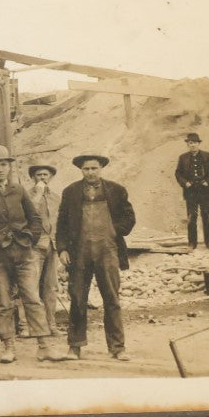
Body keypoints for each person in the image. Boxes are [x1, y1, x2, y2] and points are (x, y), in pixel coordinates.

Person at [0, 146, 67, 364]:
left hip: (24, 253)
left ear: (9, 167)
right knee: (4, 302)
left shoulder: (18, 190)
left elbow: (34, 218)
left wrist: (30, 239)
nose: (1, 169)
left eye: (4, 165)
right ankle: (9, 347)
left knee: (33, 298)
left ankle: (44, 347)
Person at [56, 153, 137, 360]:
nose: (90, 172)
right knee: (78, 298)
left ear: (101, 168)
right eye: (86, 169)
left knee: (112, 298)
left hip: (107, 251)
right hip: (79, 252)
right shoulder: (71, 192)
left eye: (94, 168)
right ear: (81, 170)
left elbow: (129, 217)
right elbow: (62, 223)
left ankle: (117, 348)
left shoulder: (116, 190)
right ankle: (75, 346)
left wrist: (113, 230)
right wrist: (63, 248)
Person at [27, 162, 62, 339]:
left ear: (51, 177)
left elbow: (61, 222)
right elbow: (29, 212)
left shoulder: (56, 198)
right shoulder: (27, 196)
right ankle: (26, 326)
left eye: (45, 175)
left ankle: (51, 324)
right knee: (29, 287)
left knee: (50, 287)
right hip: (34, 247)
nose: (42, 178)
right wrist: (39, 193)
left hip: (52, 246)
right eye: (39, 175)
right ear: (33, 178)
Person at [175, 132, 209, 250]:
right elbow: (178, 173)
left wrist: (208, 181)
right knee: (191, 217)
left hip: (205, 191)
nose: (192, 145)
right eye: (190, 143)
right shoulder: (183, 158)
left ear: (198, 144)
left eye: (194, 143)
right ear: (187, 145)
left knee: (206, 216)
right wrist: (185, 183)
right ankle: (192, 243)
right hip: (191, 192)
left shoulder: (208, 156)